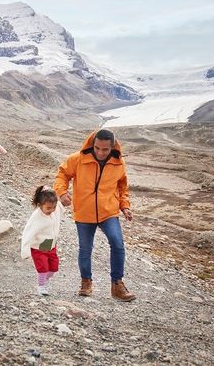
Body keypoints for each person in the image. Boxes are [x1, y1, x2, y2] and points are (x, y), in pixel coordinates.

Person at [53, 129, 136, 302]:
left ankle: (117, 285)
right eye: (97, 148)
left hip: (108, 211)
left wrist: (124, 206)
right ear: (93, 144)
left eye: (105, 149)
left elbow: (122, 187)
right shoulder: (77, 159)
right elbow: (62, 174)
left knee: (117, 244)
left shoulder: (119, 163)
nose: (100, 152)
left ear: (112, 147)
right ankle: (86, 282)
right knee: (85, 249)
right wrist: (61, 192)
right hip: (84, 212)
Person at [20, 186, 64, 296]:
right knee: (43, 267)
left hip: (51, 245)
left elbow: (59, 206)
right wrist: (25, 251)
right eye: (48, 208)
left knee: (54, 268)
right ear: (40, 206)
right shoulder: (36, 217)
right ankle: (41, 287)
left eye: (53, 207)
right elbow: (27, 233)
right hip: (39, 247)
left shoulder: (54, 209)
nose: (51, 210)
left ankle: (44, 279)